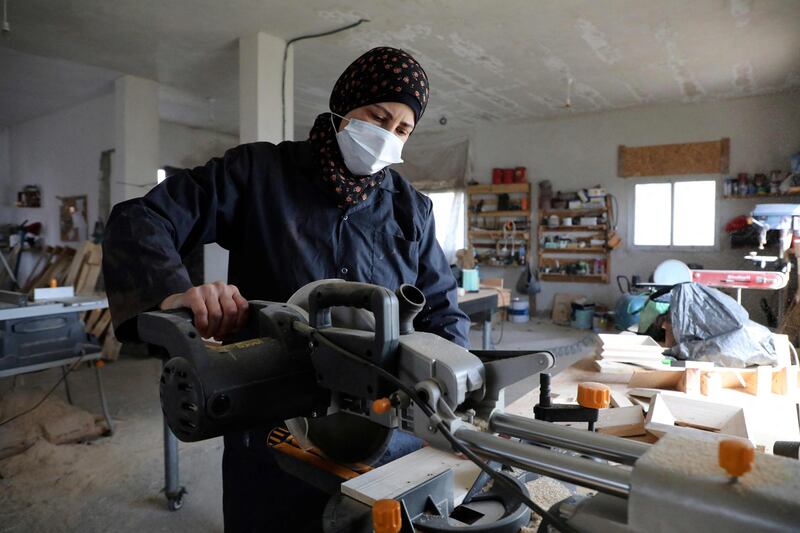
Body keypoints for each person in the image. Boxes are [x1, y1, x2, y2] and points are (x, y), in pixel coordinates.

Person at [102, 46, 470, 532]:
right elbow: (140, 219)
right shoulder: (258, 174)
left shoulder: (412, 209)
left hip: (383, 428)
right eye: (377, 118)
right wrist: (174, 294)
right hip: (269, 420)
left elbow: (443, 311)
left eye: (402, 130)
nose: (386, 137)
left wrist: (455, 384)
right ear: (344, 106)